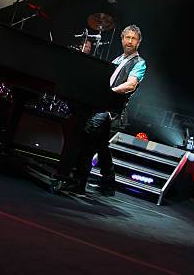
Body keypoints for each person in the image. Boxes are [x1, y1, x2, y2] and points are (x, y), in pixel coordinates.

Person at [62, 24, 147, 197]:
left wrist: (107, 93)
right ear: (122, 39)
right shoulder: (116, 60)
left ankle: (79, 184)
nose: (130, 41)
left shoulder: (140, 63)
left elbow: (130, 84)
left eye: (133, 38)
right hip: (100, 105)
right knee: (100, 145)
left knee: (88, 142)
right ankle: (108, 181)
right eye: (127, 37)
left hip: (112, 110)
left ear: (138, 42)